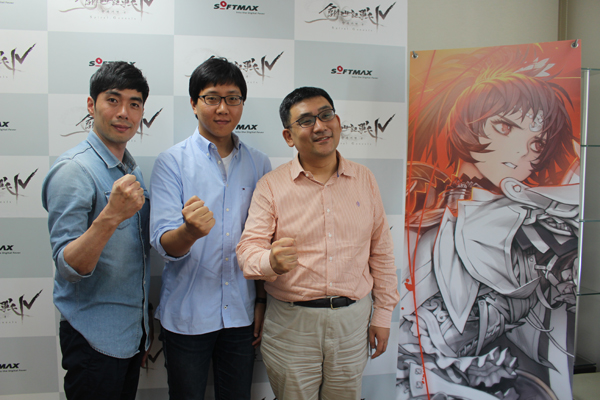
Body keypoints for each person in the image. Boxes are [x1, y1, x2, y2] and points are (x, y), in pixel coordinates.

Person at [399, 45, 579, 399]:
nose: (523, 153)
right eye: (505, 126)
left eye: (537, 144)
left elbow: (547, 339)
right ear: (467, 123)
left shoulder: (532, 223)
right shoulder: (418, 201)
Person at [237, 86, 400, 400]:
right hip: (292, 325)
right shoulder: (271, 186)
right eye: (306, 121)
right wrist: (270, 262)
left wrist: (382, 315)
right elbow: (247, 251)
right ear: (288, 136)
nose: (320, 126)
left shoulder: (365, 179)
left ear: (337, 122)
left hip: (353, 324)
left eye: (326, 115)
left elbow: (381, 252)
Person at [149, 57, 271, 400]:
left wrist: (261, 300)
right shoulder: (172, 162)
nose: (223, 108)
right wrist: (189, 231)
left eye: (233, 98)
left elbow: (263, 241)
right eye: (212, 98)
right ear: (193, 103)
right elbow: (164, 244)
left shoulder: (259, 162)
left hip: (242, 314)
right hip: (187, 314)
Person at [42, 61, 151, 400]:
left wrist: (140, 331)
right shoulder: (74, 170)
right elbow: (69, 266)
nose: (124, 113)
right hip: (93, 340)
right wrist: (111, 216)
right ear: (91, 105)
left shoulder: (130, 169)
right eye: (113, 100)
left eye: (134, 104)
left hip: (129, 337)